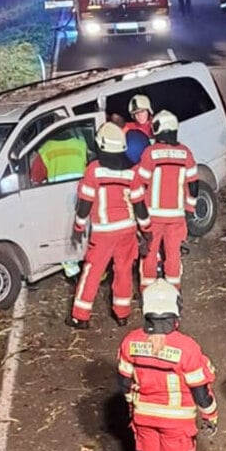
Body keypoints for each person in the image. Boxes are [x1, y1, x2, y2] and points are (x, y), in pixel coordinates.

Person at [118, 279, 218, 451]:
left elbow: (125, 384)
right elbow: (201, 392)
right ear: (175, 312)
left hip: (143, 418)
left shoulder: (130, 343)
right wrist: (211, 415)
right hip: (176, 424)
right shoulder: (187, 348)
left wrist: (132, 407)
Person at [67, 123, 152, 329]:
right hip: (127, 230)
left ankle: (80, 316)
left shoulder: (94, 170)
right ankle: (122, 314)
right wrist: (146, 231)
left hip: (104, 232)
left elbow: (85, 204)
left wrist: (78, 228)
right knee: (123, 271)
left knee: (92, 272)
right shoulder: (132, 172)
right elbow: (139, 205)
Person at [132, 110, 198, 290]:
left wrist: (138, 213)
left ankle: (147, 291)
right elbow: (193, 185)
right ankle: (174, 290)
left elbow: (141, 183)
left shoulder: (150, 153)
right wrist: (190, 210)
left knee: (150, 254)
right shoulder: (186, 153)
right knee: (173, 254)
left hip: (153, 216)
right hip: (177, 216)